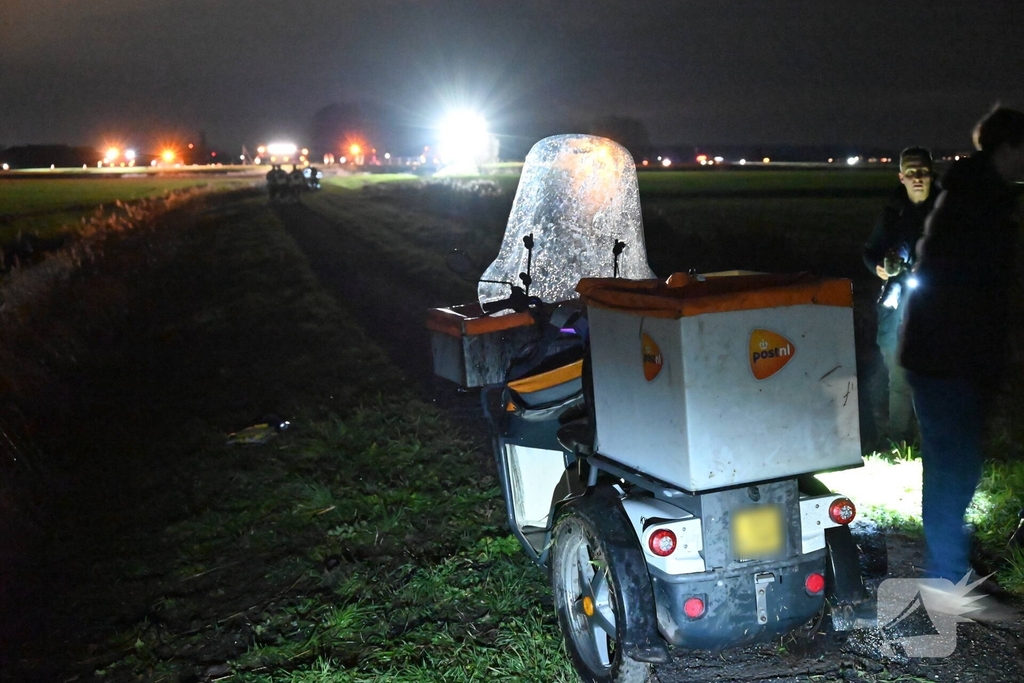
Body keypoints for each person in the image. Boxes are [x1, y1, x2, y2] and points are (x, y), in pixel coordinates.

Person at [899, 106, 1024, 585]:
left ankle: (949, 570)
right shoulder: (980, 202)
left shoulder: (974, 193)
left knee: (954, 464)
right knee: (954, 466)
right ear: (1008, 147)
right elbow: (972, 292)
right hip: (948, 359)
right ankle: (948, 577)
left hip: (944, 356)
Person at [862, 147, 937, 447]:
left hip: (936, 305)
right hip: (897, 303)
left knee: (934, 377)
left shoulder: (947, 211)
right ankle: (898, 439)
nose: (917, 178)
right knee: (898, 375)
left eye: (923, 172)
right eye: (911, 172)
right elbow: (870, 251)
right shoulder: (893, 213)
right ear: (901, 176)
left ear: (932, 174)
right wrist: (880, 268)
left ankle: (934, 439)